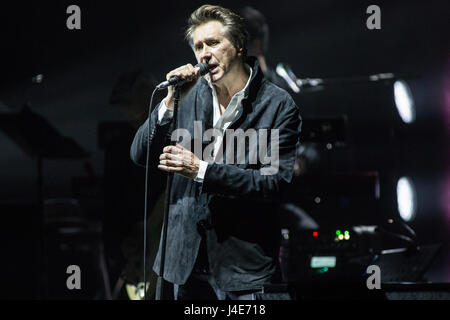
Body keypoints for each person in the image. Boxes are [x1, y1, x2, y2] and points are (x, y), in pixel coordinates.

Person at [130, 4, 301, 300]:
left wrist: (201, 170)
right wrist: (170, 101)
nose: (204, 53)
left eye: (213, 43)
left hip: (242, 272)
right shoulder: (186, 95)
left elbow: (274, 183)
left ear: (237, 45)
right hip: (181, 267)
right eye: (198, 46)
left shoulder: (276, 106)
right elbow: (140, 154)